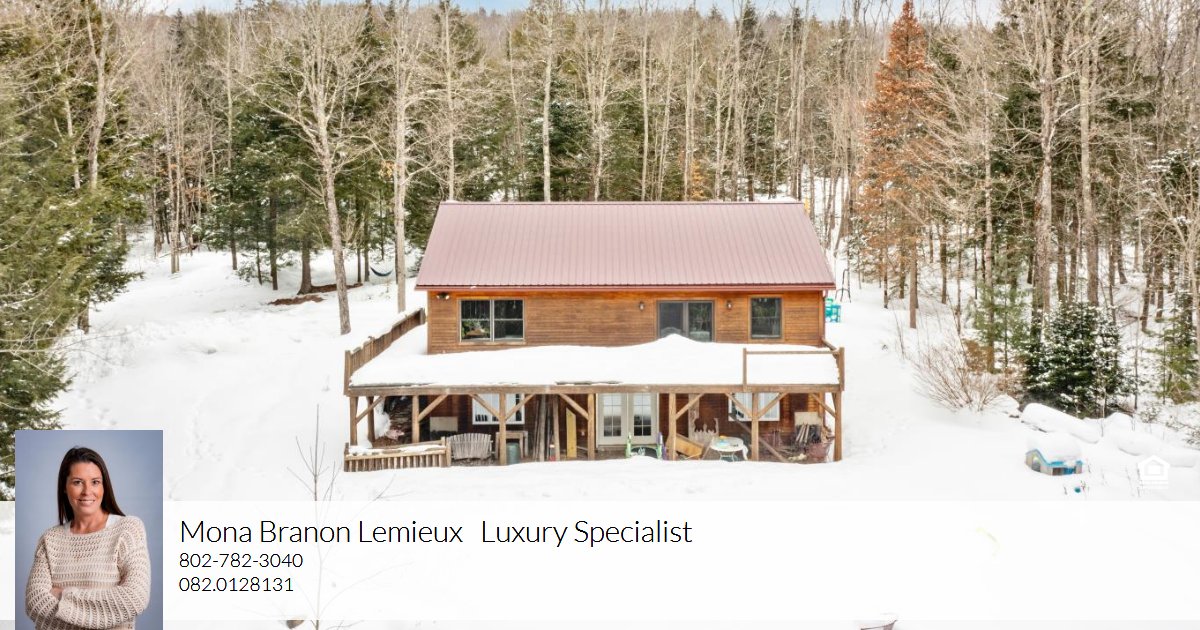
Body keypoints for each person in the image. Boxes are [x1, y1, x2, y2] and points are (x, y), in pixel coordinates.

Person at [25, 447, 151, 630]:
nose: (87, 491)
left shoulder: (128, 530)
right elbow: (35, 602)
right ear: (64, 487)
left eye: (95, 482)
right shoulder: (50, 539)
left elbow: (134, 598)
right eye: (77, 482)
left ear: (104, 486)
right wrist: (103, 607)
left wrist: (61, 595)